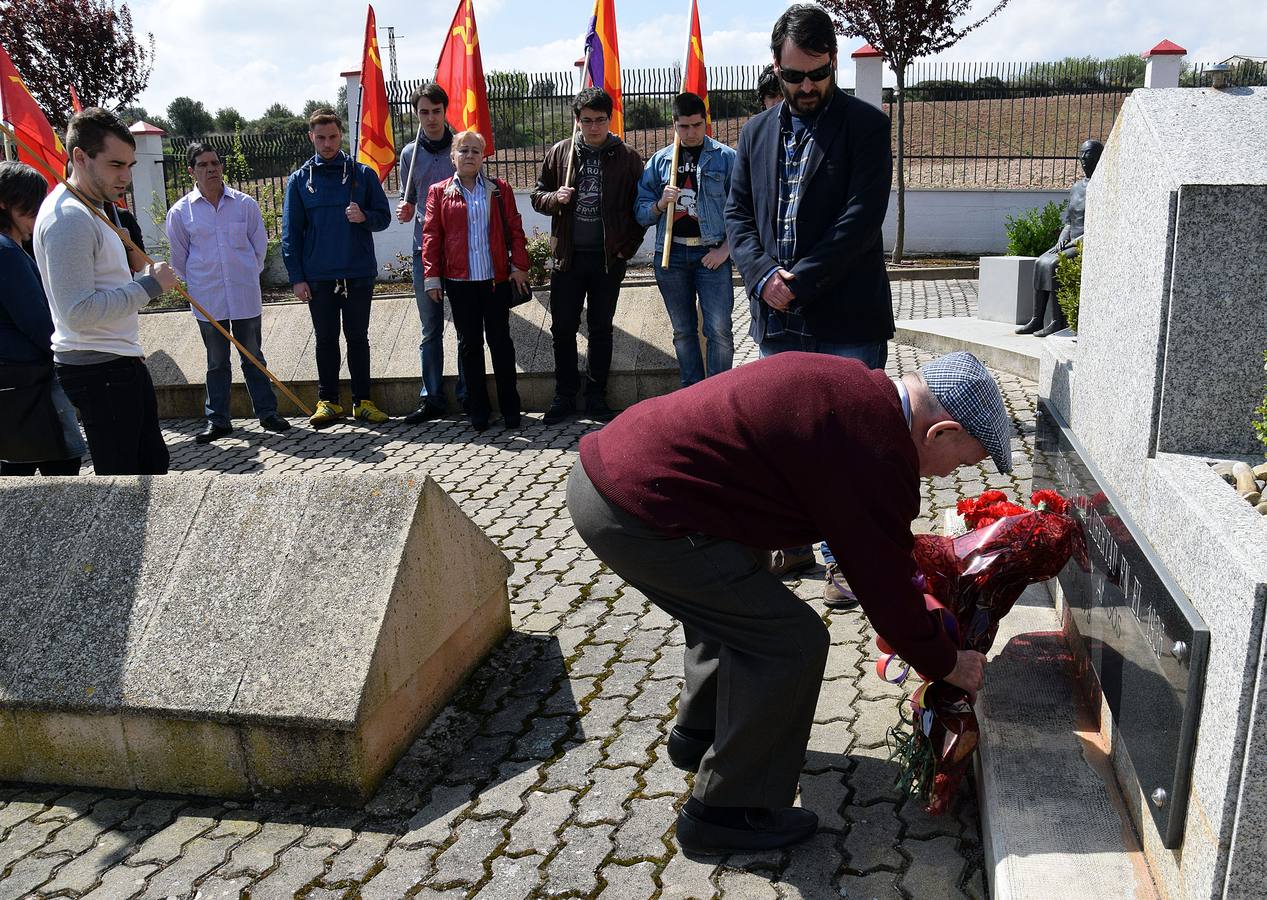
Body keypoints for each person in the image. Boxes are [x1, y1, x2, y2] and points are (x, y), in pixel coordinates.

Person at [568, 350, 1009, 853]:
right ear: (941, 431)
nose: (950, 476)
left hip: (614, 474)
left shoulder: (858, 390)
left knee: (738, 596)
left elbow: (877, 556)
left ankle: (700, 734)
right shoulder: (875, 448)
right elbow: (881, 587)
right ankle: (724, 813)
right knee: (789, 643)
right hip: (636, 510)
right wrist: (947, 661)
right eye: (963, 461)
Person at [726, 4, 895, 597]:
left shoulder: (867, 128)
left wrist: (799, 280)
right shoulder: (753, 132)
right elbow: (737, 215)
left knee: (849, 446)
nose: (805, 87)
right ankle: (792, 542)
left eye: (817, 74)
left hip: (845, 315)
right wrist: (764, 276)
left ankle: (845, 559)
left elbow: (860, 221)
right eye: (793, 76)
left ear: (833, 64)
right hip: (776, 318)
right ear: (776, 67)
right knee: (785, 441)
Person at [33, 107, 179, 476]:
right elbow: (77, 311)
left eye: (130, 166)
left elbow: (103, 285)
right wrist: (149, 286)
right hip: (100, 371)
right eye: (116, 165)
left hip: (116, 362)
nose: (126, 177)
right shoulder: (69, 219)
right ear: (80, 157)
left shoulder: (92, 209)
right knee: (125, 485)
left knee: (150, 469)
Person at [530, 87, 645, 424]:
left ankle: (596, 396)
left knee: (600, 329)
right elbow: (538, 195)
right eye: (586, 121)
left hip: (608, 259)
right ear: (576, 121)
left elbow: (639, 209)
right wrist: (555, 198)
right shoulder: (560, 153)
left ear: (610, 119)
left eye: (600, 120)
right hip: (568, 258)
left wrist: (627, 250)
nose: (593, 127)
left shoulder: (627, 157)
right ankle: (564, 395)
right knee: (562, 328)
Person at [166, 142, 291, 443]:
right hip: (208, 299)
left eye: (215, 163)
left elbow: (259, 248)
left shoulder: (244, 204)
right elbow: (179, 259)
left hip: (244, 295)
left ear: (222, 166)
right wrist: (199, 282)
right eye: (203, 165)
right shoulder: (181, 212)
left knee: (253, 357)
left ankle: (268, 414)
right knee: (216, 362)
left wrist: (245, 273)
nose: (210, 169)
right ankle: (218, 420)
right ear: (191, 171)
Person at [282, 108, 392, 428]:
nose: (327, 144)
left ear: (341, 134)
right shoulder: (300, 181)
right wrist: (297, 278)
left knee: (358, 338)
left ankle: (363, 402)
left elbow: (383, 218)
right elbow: (291, 233)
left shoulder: (363, 174)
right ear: (311, 138)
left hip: (358, 272)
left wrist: (365, 217)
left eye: (332, 137)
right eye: (321, 138)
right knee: (325, 339)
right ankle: (328, 401)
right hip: (318, 276)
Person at [421, 131, 529, 433]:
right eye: (463, 150)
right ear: (453, 156)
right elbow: (431, 236)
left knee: (501, 343)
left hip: (495, 281)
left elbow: (515, 229)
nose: (469, 156)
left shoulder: (499, 189)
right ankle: (478, 411)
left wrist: (519, 265)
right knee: (470, 346)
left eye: (475, 151)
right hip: (459, 282)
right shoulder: (439, 192)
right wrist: (432, 277)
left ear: (484, 157)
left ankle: (511, 409)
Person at [636, 92, 737, 388]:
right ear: (674, 124)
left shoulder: (726, 158)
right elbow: (641, 212)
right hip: (671, 256)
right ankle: (693, 395)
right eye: (684, 126)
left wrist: (725, 249)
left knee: (720, 329)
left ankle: (719, 394)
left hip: (712, 256)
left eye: (697, 125)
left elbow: (745, 209)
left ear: (706, 122)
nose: (691, 132)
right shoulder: (660, 162)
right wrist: (659, 205)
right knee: (683, 331)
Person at [0, 161, 86, 475]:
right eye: (30, 200)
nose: (37, 209)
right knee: (60, 466)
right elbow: (38, 323)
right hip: (26, 384)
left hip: (16, 382)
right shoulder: (6, 252)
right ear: (5, 203)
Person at [395, 82, 466, 423]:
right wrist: (406, 208)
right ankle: (432, 396)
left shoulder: (462, 148)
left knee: (466, 325)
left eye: (436, 111)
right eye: (424, 112)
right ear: (416, 114)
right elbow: (408, 199)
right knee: (430, 327)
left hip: (462, 248)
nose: (431, 118)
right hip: (425, 249)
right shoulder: (409, 154)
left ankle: (468, 394)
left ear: (445, 111)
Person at [1016, 139, 1103, 337]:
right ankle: (1037, 319)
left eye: (1088, 155)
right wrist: (1061, 240)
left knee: (1054, 264)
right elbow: (1069, 221)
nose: (1083, 159)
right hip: (1069, 240)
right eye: (1081, 155)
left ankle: (1056, 321)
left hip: (1085, 243)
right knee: (1040, 262)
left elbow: (1100, 226)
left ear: (1098, 158)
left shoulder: (1102, 186)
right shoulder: (1076, 187)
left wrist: (1074, 242)